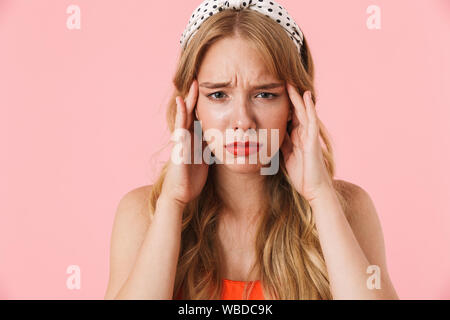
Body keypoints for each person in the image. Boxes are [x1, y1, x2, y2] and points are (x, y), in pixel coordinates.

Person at [104, 0, 399, 300]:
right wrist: (172, 202)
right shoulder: (143, 214)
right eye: (218, 94)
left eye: (265, 94)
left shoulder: (349, 209)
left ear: (294, 106)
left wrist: (321, 197)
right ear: (192, 107)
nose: (243, 121)